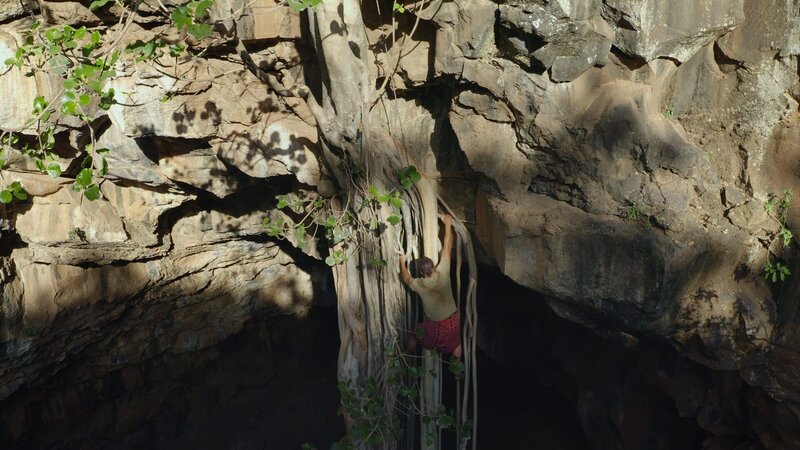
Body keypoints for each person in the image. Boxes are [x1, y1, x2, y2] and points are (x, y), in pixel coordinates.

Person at [399, 213, 463, 365]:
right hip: (452, 321)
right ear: (434, 266)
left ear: (421, 273)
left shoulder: (420, 285)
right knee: (457, 344)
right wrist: (447, 224)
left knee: (415, 335)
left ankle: (407, 356)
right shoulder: (444, 272)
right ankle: (457, 370)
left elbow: (406, 278)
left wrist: (402, 262)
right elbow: (447, 246)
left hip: (435, 327)